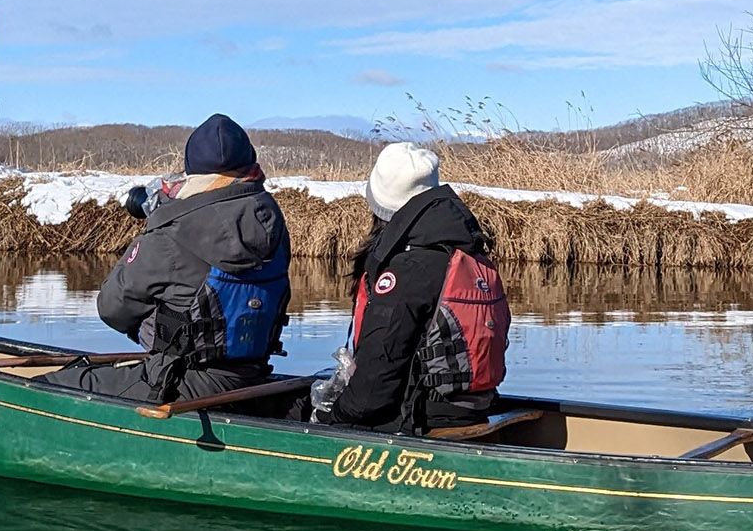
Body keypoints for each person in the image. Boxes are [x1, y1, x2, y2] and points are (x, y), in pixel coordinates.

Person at [45, 113, 290, 404]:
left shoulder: (169, 236)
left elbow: (112, 308)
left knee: (52, 385)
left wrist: (158, 222)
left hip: (181, 381)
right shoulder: (274, 226)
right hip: (253, 376)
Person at [311, 143, 510, 434]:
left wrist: (332, 414)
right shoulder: (468, 255)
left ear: (381, 205)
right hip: (473, 408)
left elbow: (371, 394)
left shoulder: (408, 271)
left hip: (418, 419)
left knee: (301, 411)